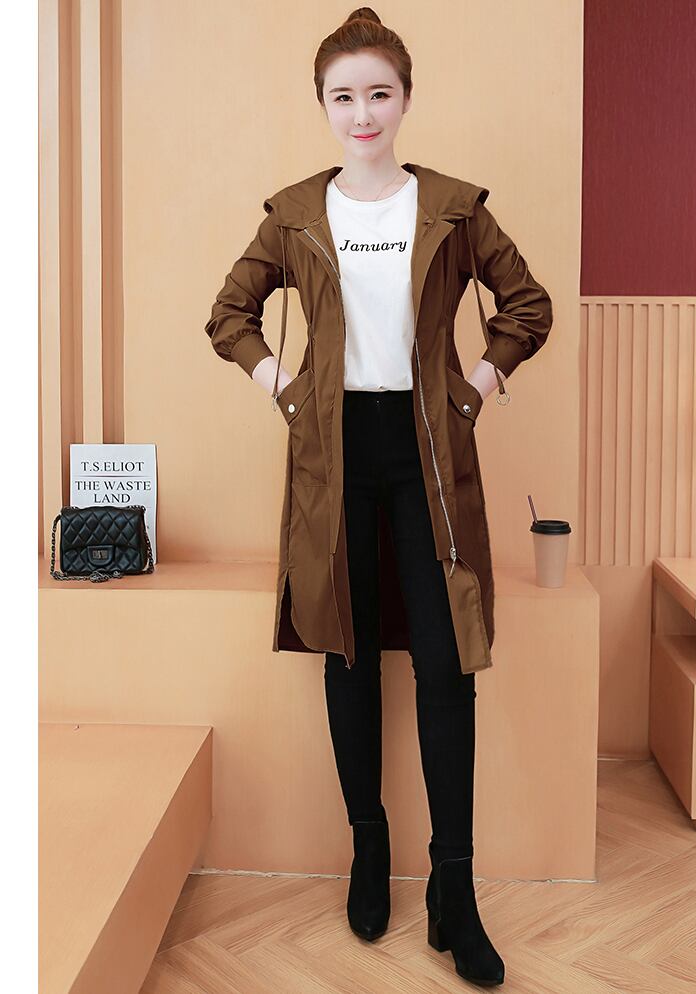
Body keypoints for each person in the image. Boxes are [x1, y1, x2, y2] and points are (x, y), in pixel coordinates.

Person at [205, 8, 553, 987]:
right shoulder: (294, 214)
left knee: (447, 665)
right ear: (323, 105)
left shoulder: (450, 207)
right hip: (334, 456)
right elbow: (229, 314)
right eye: (344, 96)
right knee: (348, 652)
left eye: (379, 94)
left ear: (405, 100)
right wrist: (285, 389)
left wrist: (472, 391)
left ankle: (455, 887)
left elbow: (527, 305)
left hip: (429, 455)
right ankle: (369, 845)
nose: (363, 113)